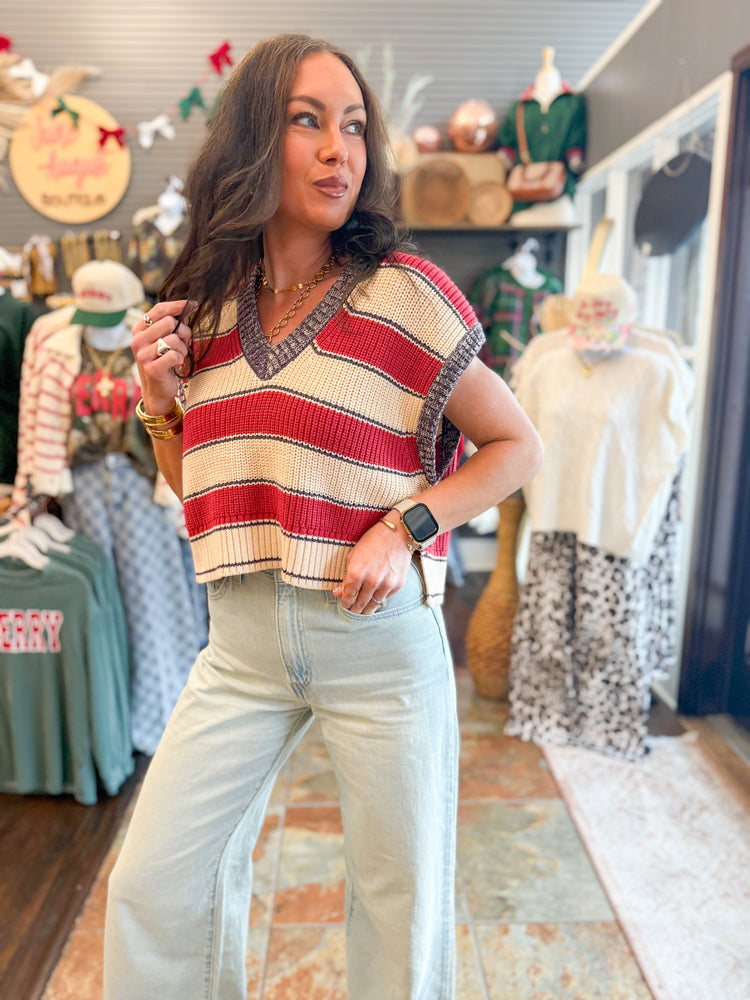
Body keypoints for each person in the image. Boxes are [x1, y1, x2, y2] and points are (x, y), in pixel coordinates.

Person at [103, 33, 542, 1000]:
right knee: (153, 886)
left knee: (400, 907)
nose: (340, 149)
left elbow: (519, 450)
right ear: (257, 138)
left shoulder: (405, 297)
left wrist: (407, 526)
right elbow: (198, 491)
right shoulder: (205, 308)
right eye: (309, 121)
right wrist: (158, 396)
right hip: (243, 647)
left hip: (380, 647)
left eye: (354, 126)